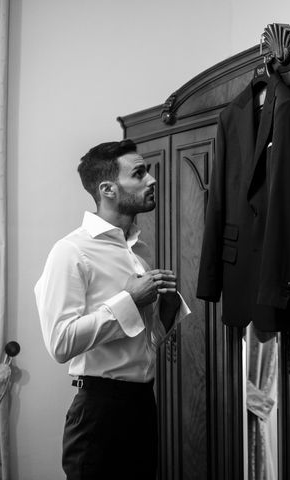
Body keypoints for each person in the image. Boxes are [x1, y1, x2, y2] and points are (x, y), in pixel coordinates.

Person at [34, 139, 190, 480]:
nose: (151, 180)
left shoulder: (138, 249)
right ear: (107, 188)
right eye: (139, 173)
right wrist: (129, 300)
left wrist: (164, 312)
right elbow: (60, 343)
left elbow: (140, 345)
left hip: (142, 405)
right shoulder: (71, 252)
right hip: (98, 414)